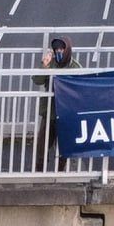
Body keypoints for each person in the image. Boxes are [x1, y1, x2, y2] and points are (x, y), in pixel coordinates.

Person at [33, 37, 81, 169]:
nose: (59, 51)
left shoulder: (75, 67)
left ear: (67, 50)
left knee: (65, 143)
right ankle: (39, 169)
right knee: (42, 144)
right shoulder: (51, 63)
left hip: (66, 113)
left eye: (62, 49)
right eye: (56, 49)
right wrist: (44, 66)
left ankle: (61, 169)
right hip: (49, 111)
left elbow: (81, 87)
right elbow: (37, 80)